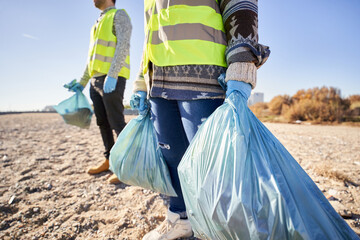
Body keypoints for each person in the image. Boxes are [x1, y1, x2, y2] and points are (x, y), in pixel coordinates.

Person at [131, 0, 270, 239]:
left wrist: (242, 60)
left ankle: (218, 231)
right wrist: (140, 83)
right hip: (159, 81)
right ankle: (180, 218)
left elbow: (239, 3)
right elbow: (151, 32)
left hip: (205, 76)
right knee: (171, 158)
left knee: (213, 168)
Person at [70, 0, 132, 184]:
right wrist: (82, 82)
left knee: (116, 122)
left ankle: (125, 166)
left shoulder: (119, 15)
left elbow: (123, 45)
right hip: (95, 80)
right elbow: (92, 59)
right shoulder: (97, 23)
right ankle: (109, 160)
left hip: (112, 78)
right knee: (102, 123)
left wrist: (112, 75)